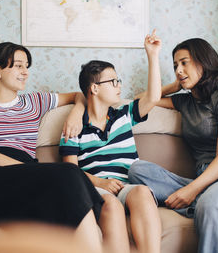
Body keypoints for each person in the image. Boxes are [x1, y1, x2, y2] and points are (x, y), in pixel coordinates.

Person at [0, 42, 104, 253]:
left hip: (25, 177)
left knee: (70, 177)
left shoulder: (35, 101)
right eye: (18, 66)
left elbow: (77, 95)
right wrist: (28, 170)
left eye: (26, 66)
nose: (25, 72)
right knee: (68, 173)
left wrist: (76, 112)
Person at [129, 38, 218, 253]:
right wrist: (174, 84)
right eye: (175, 65)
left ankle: (213, 208)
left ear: (203, 62)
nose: (178, 69)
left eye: (184, 63)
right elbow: (141, 101)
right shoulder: (185, 101)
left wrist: (192, 190)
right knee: (137, 171)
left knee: (212, 203)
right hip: (206, 182)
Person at [59, 30, 162, 253]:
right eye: (113, 81)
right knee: (112, 205)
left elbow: (153, 97)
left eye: (118, 81)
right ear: (94, 88)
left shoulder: (124, 115)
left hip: (128, 185)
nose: (119, 86)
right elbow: (70, 171)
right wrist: (99, 183)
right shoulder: (74, 126)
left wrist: (152, 55)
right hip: (98, 190)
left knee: (143, 192)